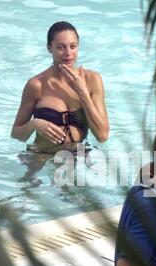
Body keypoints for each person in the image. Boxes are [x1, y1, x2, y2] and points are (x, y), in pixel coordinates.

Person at [11, 21, 109, 181]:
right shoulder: (36, 85)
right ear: (49, 48)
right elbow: (16, 134)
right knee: (26, 196)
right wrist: (33, 125)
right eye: (61, 47)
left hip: (80, 153)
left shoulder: (92, 80)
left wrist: (82, 92)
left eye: (73, 46)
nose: (68, 53)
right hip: (41, 155)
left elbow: (102, 135)